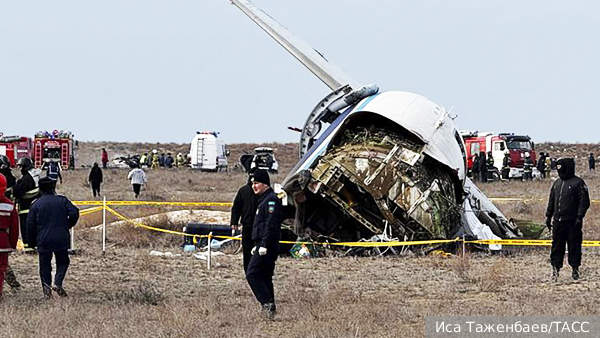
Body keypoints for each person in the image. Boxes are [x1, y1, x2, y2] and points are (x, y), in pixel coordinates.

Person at [27, 177, 79, 299]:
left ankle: (47, 292)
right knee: (63, 261)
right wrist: (67, 224)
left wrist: (31, 242)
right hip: (61, 236)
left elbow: (30, 224)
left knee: (44, 265)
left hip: (43, 238)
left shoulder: (36, 204)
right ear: (53, 187)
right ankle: (58, 282)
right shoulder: (62, 200)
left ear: (40, 188)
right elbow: (74, 212)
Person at [545, 158, 590, 281]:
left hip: (572, 222)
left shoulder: (578, 183)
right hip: (558, 222)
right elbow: (551, 201)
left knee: (574, 246)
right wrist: (548, 217)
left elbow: (584, 202)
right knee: (556, 246)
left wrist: (579, 217)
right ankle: (555, 270)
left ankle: (575, 269)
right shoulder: (557, 184)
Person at [245, 169, 281, 319]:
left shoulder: (271, 200)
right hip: (261, 243)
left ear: (265, 184)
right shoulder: (263, 200)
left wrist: (264, 244)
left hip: (267, 245)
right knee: (265, 276)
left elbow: (271, 225)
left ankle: (266, 303)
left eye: (257, 183)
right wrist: (257, 243)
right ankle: (270, 309)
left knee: (252, 273)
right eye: (252, 183)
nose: (254, 186)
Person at [230, 170, 259, 273]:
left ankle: (256, 271)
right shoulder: (243, 191)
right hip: (247, 226)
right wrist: (234, 222)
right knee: (247, 251)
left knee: (258, 251)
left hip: (259, 227)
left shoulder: (262, 193)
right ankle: (248, 271)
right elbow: (236, 207)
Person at [0, 173, 19, 299]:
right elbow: (14, 229)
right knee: (1, 268)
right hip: (2, 242)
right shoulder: (10, 205)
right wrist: (12, 245)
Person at [12, 157, 39, 246]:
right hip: (33, 207)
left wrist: (14, 189)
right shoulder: (34, 176)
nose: (19, 169)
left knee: (26, 228)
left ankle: (28, 246)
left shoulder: (26, 179)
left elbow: (17, 191)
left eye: (21, 166)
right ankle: (33, 244)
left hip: (25, 208)